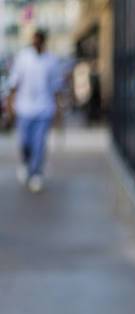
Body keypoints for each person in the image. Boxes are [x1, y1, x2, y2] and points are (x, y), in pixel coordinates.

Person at [6, 29, 62, 193]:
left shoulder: (51, 60)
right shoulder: (23, 58)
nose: (35, 43)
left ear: (43, 41)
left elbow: (56, 87)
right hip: (24, 109)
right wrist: (10, 107)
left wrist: (59, 111)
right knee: (25, 143)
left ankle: (36, 173)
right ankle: (26, 163)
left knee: (39, 143)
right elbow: (14, 84)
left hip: (44, 109)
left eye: (38, 40)